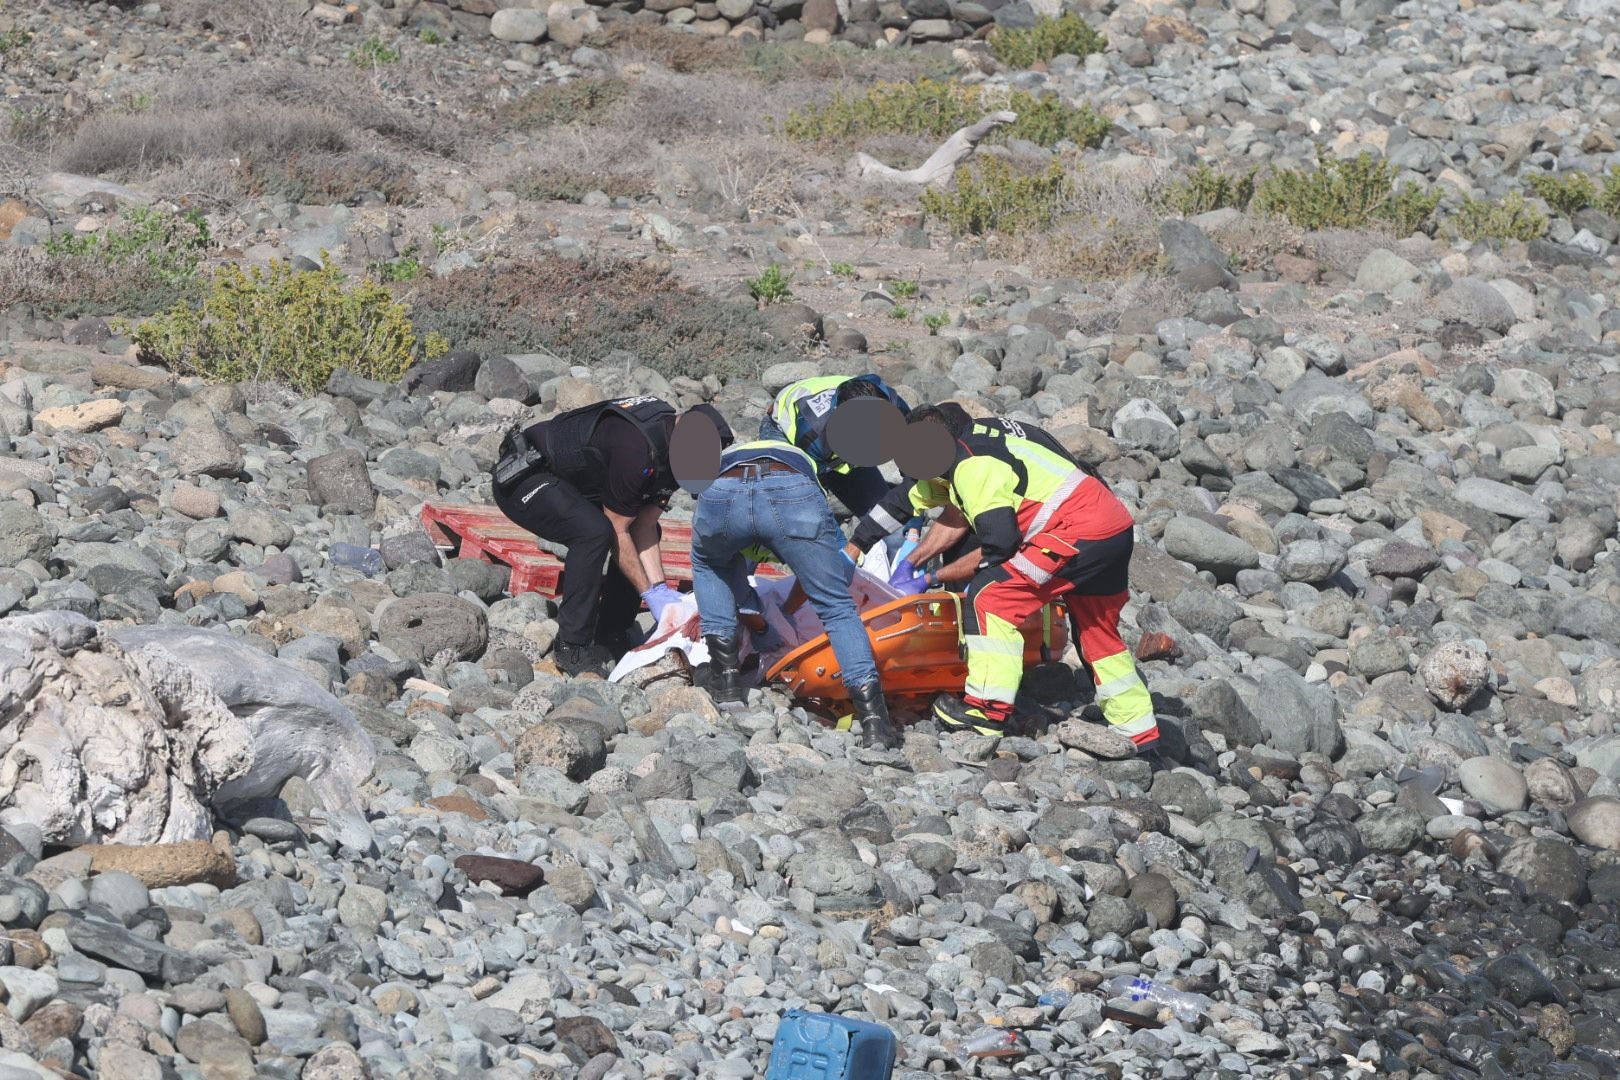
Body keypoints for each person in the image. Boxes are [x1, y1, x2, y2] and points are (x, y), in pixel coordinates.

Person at [847, 407, 1159, 752]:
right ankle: (1138, 730)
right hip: (1112, 525)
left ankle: (985, 711)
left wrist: (934, 576)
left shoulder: (973, 467)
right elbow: (902, 501)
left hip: (1076, 530)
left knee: (989, 600)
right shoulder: (974, 446)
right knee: (1096, 631)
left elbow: (999, 545)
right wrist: (853, 548)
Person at [491, 396, 732, 677]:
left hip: (572, 485)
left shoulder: (679, 456)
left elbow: (645, 525)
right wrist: (650, 593)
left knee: (635, 526)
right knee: (593, 532)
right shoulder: (636, 448)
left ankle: (612, 632)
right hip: (524, 477)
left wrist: (661, 590)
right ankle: (571, 645)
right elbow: (617, 528)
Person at [688, 433, 900, 750]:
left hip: (723, 485)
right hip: (790, 486)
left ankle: (726, 682)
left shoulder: (727, 456)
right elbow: (836, 575)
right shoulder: (804, 466)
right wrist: (788, 609)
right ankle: (874, 721)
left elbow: (727, 575)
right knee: (837, 608)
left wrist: (759, 613)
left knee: (708, 565)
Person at [761, 374, 910, 517]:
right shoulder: (813, 436)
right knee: (794, 514)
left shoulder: (893, 404)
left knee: (892, 527)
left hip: (832, 441)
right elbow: (812, 495)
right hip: (783, 431)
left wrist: (913, 529)